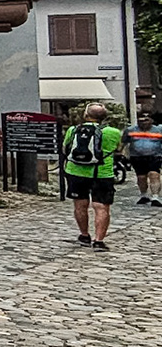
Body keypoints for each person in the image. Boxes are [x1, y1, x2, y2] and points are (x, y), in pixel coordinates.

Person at [61, 103, 123, 250]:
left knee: (80, 206)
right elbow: (118, 148)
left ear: (85, 115)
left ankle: (84, 235)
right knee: (101, 207)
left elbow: (65, 148)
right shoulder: (113, 132)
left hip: (76, 171)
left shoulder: (73, 129)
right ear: (104, 117)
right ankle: (99, 241)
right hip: (102, 173)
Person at [124, 113, 161, 206]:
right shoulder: (130, 130)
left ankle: (155, 197)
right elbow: (123, 142)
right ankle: (143, 195)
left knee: (154, 175)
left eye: (146, 120)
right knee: (141, 177)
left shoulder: (159, 130)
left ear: (151, 121)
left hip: (154, 156)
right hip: (137, 157)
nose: (143, 123)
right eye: (141, 121)